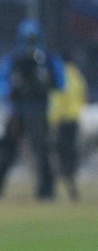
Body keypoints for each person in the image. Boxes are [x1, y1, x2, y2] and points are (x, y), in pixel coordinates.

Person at [0, 19, 65, 200]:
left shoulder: (47, 59)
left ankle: (46, 191)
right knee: (6, 151)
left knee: (43, 152)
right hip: (18, 112)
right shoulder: (14, 59)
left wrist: (45, 82)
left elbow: (60, 82)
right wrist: (10, 92)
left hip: (39, 111)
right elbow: (1, 81)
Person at [49, 57, 88, 200]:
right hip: (75, 119)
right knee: (71, 151)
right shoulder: (77, 76)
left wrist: (53, 119)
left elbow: (59, 99)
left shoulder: (61, 75)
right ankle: (71, 179)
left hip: (63, 120)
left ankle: (63, 181)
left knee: (59, 153)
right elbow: (83, 95)